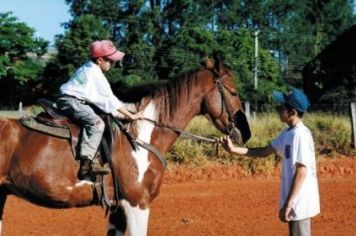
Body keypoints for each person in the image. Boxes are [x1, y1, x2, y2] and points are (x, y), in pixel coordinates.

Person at [219, 88, 320, 236]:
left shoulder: (300, 135)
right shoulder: (287, 133)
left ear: (292, 112)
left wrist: (288, 204)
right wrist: (233, 149)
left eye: (282, 107)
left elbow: (301, 171)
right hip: (295, 200)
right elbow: (265, 151)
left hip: (300, 201)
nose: (278, 109)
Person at [56, 40, 144, 180]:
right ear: (100, 60)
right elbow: (110, 100)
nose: (112, 64)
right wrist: (131, 116)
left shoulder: (88, 67)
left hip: (70, 99)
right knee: (97, 124)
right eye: (110, 60)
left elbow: (105, 101)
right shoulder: (95, 73)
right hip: (71, 101)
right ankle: (86, 161)